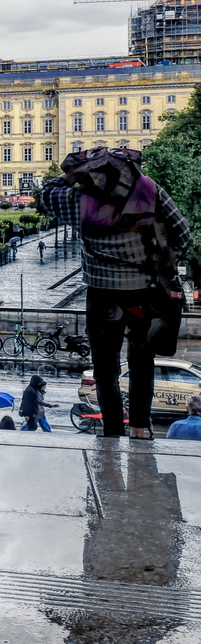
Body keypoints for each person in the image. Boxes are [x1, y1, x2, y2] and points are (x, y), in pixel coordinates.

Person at [39, 147, 192, 439]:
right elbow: (182, 232)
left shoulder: (79, 198)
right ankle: (139, 428)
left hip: (102, 296)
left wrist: (70, 172)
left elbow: (47, 195)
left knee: (106, 368)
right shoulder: (150, 189)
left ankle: (111, 430)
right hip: (145, 294)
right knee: (141, 362)